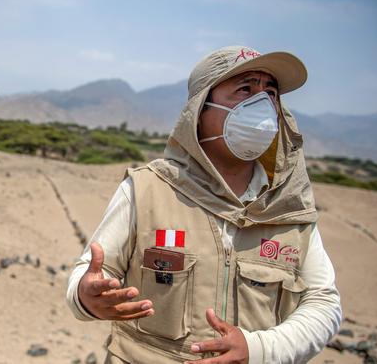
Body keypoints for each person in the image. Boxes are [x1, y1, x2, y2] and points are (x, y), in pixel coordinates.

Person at [66, 45, 342, 364]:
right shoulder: (147, 189)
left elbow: (323, 303)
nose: (263, 103)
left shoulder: (288, 209)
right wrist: (86, 297)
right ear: (201, 109)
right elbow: (90, 275)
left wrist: (260, 349)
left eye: (271, 92)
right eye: (245, 89)